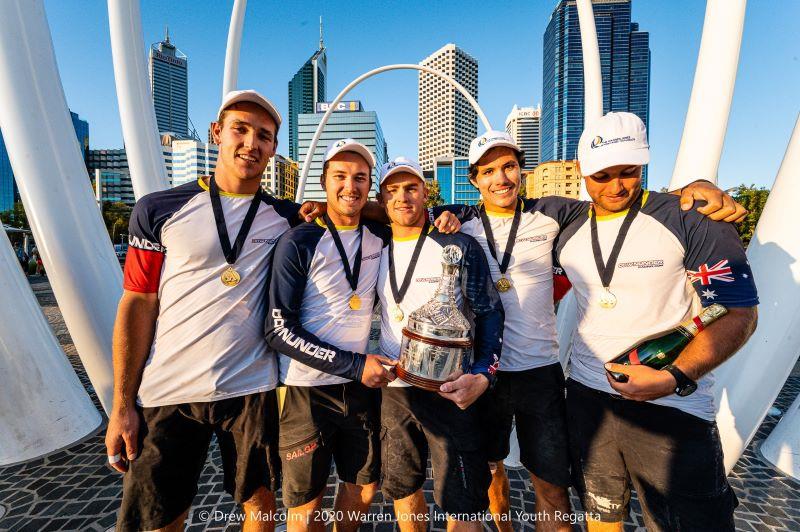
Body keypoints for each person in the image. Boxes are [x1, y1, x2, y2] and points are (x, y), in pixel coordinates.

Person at [431, 129, 748, 532]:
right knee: (487, 475)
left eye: (509, 166)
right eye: (489, 171)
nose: (501, 179)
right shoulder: (455, 223)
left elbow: (622, 205)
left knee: (552, 490)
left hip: (539, 374)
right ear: (474, 179)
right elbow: (391, 215)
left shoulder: (555, 214)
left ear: (522, 171)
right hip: (480, 373)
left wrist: (695, 189)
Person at [106, 89, 323, 532]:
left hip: (251, 388)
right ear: (216, 133)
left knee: (260, 508)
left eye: (264, 136)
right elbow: (137, 301)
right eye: (240, 130)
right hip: (168, 391)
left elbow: (354, 212)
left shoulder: (286, 217)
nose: (251, 143)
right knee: (156, 518)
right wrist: (121, 404)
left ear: (274, 148)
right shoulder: (158, 209)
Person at [553, 111, 758, 531]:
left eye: (628, 172)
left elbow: (739, 314)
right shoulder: (568, 223)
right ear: (580, 171)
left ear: (644, 163)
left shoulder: (690, 217)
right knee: (600, 517)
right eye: (602, 175)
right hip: (588, 400)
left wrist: (675, 377)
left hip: (672, 406)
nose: (616, 186)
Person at [265, 139, 395, 532]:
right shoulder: (299, 241)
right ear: (323, 182)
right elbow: (278, 329)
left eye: (360, 178)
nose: (350, 187)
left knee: (364, 489)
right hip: (306, 391)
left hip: (358, 391)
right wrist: (355, 365)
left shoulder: (379, 234)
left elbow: (412, 212)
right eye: (339, 177)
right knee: (305, 509)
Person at [375, 156, 504, 531]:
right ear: (382, 199)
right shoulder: (374, 246)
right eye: (393, 190)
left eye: (411, 188)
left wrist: (483, 374)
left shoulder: (457, 244)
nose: (403, 198)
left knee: (462, 504)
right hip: (395, 390)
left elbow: (490, 312)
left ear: (425, 193)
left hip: (450, 390)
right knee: (403, 488)